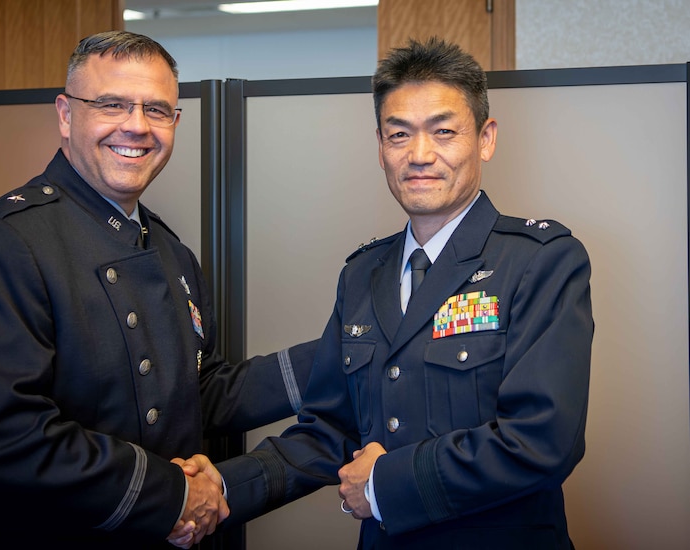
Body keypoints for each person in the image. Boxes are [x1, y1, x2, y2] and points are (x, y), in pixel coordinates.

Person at [180, 37, 593, 549]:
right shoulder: (363, 274)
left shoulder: (539, 260)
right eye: (399, 134)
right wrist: (219, 487)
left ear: (485, 138)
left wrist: (382, 484)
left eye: (444, 131)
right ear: (380, 146)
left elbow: (541, 441)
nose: (420, 155)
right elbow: (329, 427)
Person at [0, 30, 316, 549]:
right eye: (111, 104)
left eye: (156, 110)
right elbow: (3, 438)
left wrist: (336, 359)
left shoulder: (172, 253)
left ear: (175, 124)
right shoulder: (4, 244)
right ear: (66, 115)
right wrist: (173, 495)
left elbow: (196, 393)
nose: (136, 126)